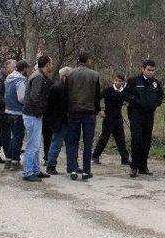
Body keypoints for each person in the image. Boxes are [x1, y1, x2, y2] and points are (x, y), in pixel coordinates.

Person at [125, 59, 164, 178]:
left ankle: (143, 166)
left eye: (153, 70)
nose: (151, 72)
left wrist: (155, 104)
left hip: (149, 114)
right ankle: (134, 167)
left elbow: (161, 96)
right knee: (137, 140)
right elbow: (126, 94)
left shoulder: (155, 83)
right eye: (148, 70)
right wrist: (136, 102)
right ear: (143, 69)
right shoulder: (133, 81)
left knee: (146, 141)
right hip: (136, 114)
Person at [66, 52, 101, 180]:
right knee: (87, 142)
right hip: (89, 112)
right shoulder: (94, 75)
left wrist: (67, 109)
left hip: (73, 111)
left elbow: (67, 94)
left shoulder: (70, 74)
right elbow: (97, 96)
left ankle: (73, 169)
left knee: (73, 142)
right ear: (88, 60)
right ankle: (86, 171)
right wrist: (96, 110)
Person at [21, 54, 53, 182]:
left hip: (33, 114)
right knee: (32, 145)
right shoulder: (38, 77)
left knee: (35, 145)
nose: (52, 65)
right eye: (51, 63)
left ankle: (35, 170)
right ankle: (28, 172)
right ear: (47, 64)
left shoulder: (38, 75)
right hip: (32, 114)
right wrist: (41, 110)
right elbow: (35, 97)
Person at [92, 74, 130, 166]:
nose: (118, 82)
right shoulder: (108, 90)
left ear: (122, 82)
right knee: (104, 138)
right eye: (116, 80)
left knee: (121, 139)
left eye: (120, 81)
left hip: (118, 118)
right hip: (108, 118)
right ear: (114, 80)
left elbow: (129, 99)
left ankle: (125, 159)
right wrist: (99, 111)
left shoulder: (123, 92)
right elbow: (96, 99)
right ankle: (95, 157)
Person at [45, 66, 73, 175]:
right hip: (60, 120)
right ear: (65, 77)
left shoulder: (61, 87)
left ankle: (70, 166)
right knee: (57, 144)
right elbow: (50, 106)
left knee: (67, 144)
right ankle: (51, 165)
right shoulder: (57, 88)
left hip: (65, 120)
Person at [4, 60, 30, 171]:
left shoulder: (9, 78)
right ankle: (15, 162)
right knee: (18, 138)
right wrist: (29, 103)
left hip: (9, 111)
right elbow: (21, 98)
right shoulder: (20, 80)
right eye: (27, 68)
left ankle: (8, 160)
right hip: (18, 112)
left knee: (13, 137)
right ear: (24, 68)